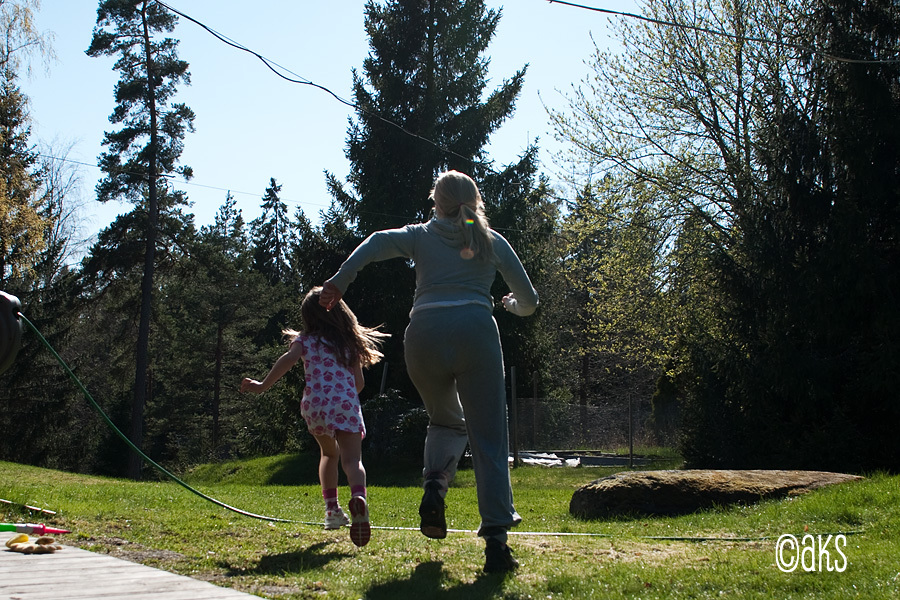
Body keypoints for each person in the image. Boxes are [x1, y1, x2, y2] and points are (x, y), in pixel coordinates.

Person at [319, 170, 538, 573]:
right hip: (475, 332)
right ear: (474, 202)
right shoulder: (492, 242)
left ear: (435, 202)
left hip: (423, 336)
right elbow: (530, 300)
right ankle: (496, 543)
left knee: (445, 421)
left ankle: (435, 484)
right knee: (488, 437)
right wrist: (508, 305)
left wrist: (340, 280)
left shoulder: (420, 235)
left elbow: (375, 243)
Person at [240, 287, 388, 547]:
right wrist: (344, 396)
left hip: (316, 406)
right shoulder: (348, 343)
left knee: (329, 454)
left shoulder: (304, 340)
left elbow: (288, 359)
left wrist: (263, 385)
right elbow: (359, 383)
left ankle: (332, 511)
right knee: (352, 460)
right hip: (345, 404)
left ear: (308, 316)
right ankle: (359, 498)